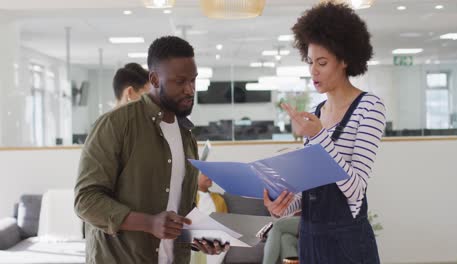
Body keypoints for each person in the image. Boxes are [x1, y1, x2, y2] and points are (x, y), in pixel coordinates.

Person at [74, 36, 229, 264]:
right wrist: (149, 223)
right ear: (155, 79)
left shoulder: (186, 135)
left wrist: (201, 236)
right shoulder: (115, 124)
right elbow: (86, 201)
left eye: (194, 80)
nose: (190, 90)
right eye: (180, 81)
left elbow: (180, 208)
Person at [263, 3, 385, 263]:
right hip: (310, 239)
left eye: (322, 62)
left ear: (344, 60)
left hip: (348, 243)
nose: (313, 71)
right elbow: (311, 189)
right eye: (310, 62)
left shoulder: (369, 107)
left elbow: (355, 190)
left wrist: (319, 137)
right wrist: (284, 204)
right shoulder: (316, 112)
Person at [191, 173, 228, 264]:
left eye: (210, 173)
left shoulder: (219, 199)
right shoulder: (190, 196)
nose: (209, 176)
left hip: (215, 235)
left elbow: (226, 220)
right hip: (195, 235)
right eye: (205, 174)